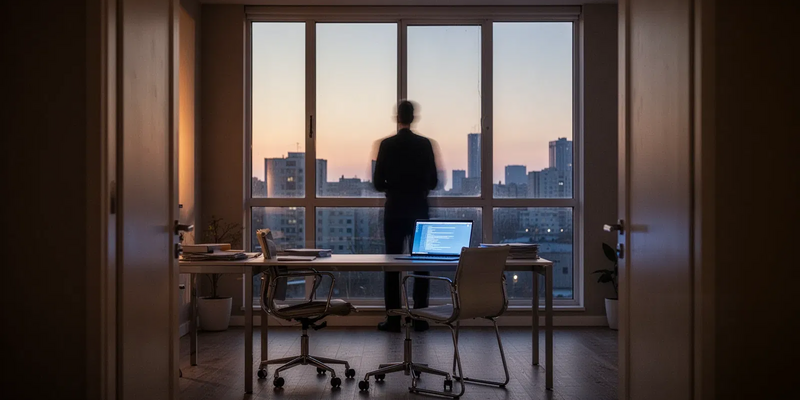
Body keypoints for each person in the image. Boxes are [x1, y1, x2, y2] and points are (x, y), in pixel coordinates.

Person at [373, 100, 438, 332]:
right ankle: (420, 317)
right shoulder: (425, 145)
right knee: (421, 265)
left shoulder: (386, 145)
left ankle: (392, 319)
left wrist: (394, 186)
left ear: (397, 117)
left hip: (395, 210)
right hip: (419, 209)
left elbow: (378, 183)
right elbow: (434, 181)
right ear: (414, 117)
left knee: (391, 265)